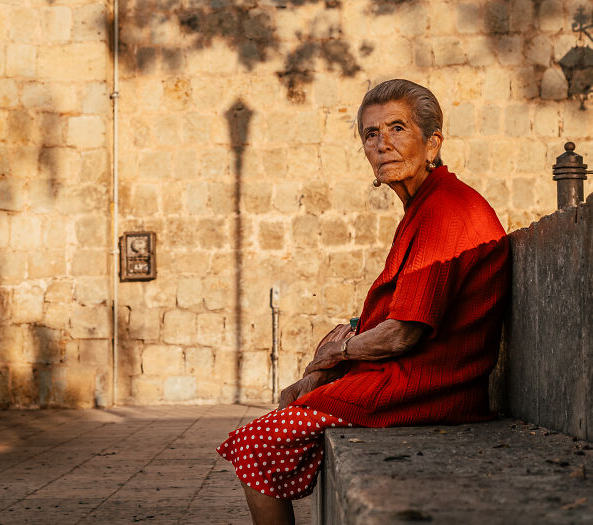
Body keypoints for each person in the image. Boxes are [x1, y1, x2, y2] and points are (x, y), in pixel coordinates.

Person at [216, 79, 510, 524]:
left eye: (397, 128)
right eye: (371, 134)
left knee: (256, 444)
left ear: (432, 143)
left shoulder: (446, 209)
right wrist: (325, 368)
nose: (382, 145)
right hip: (411, 379)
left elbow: (403, 332)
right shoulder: (425, 207)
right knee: (292, 398)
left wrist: (339, 351)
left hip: (426, 387)